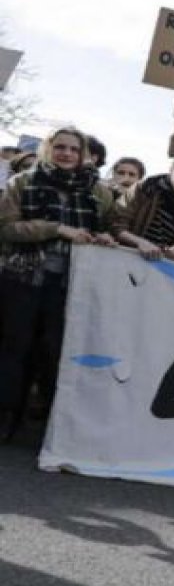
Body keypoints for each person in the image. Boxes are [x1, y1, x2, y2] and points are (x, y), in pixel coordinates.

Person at [0, 126, 116, 438]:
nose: (66, 154)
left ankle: (45, 424)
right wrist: (56, 229)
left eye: (74, 149)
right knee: (14, 347)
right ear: (48, 150)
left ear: (83, 155)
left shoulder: (98, 191)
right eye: (60, 147)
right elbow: (8, 229)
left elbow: (111, 228)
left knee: (54, 351)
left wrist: (106, 236)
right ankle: (7, 417)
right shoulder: (22, 182)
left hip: (71, 284)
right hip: (22, 277)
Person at [113, 149, 174, 260]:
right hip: (124, 259)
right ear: (172, 169)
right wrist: (140, 243)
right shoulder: (144, 190)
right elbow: (116, 225)